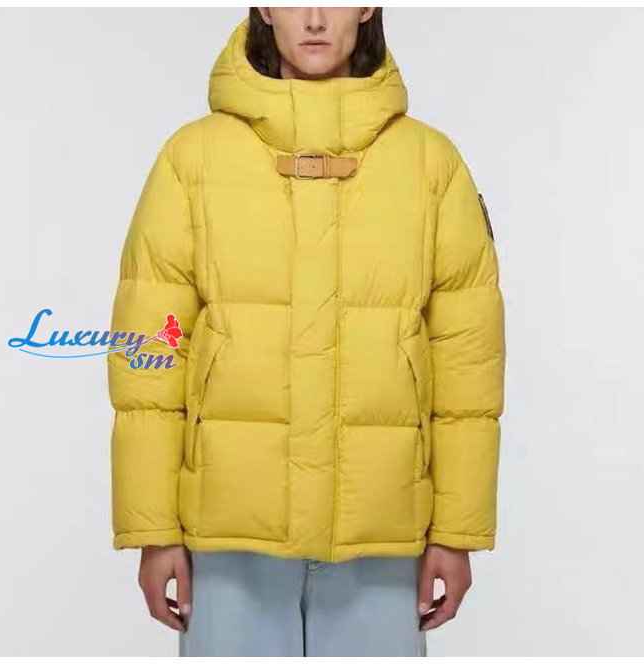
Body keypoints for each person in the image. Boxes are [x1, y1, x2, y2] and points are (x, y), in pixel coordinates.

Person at [107, 7, 505, 657]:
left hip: (382, 531)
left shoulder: (431, 165)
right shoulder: (193, 159)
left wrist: (456, 532)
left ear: (369, 6)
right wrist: (154, 530)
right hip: (227, 532)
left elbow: (468, 363)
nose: (315, 18)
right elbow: (149, 360)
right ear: (264, 8)